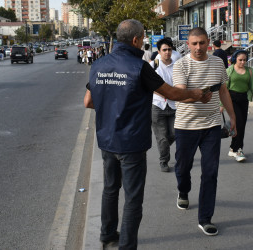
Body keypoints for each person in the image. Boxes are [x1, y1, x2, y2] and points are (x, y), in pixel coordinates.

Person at [84, 19, 204, 249]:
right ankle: (127, 246)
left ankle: (107, 234)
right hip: (131, 143)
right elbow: (171, 93)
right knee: (132, 198)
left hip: (107, 140)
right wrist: (197, 94)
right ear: (137, 40)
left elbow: (88, 102)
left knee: (110, 189)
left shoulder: (99, 64)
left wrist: (113, 107)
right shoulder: (140, 67)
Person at [173, 27, 237, 236]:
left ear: (208, 42)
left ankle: (205, 218)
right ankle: (183, 190)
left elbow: (223, 90)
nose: (198, 47)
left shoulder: (218, 62)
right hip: (186, 126)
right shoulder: (181, 65)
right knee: (183, 168)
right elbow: (180, 95)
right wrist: (199, 97)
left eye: (202, 43)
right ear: (188, 44)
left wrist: (232, 117)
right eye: (194, 43)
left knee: (210, 173)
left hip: (211, 126)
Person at [224, 50, 253, 162]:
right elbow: (224, 89)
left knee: (241, 125)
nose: (242, 62)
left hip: (243, 99)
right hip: (231, 99)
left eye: (244, 60)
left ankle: (232, 148)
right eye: (240, 60)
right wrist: (222, 104)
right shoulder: (229, 71)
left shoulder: (249, 71)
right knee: (239, 124)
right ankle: (238, 150)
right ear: (235, 59)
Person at [149, 38, 176, 172]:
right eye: (164, 50)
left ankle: (164, 146)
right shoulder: (152, 66)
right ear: (159, 51)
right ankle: (164, 161)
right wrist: (162, 93)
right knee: (162, 138)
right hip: (157, 105)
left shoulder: (177, 66)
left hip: (174, 105)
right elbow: (146, 85)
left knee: (175, 134)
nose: (167, 52)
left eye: (169, 50)